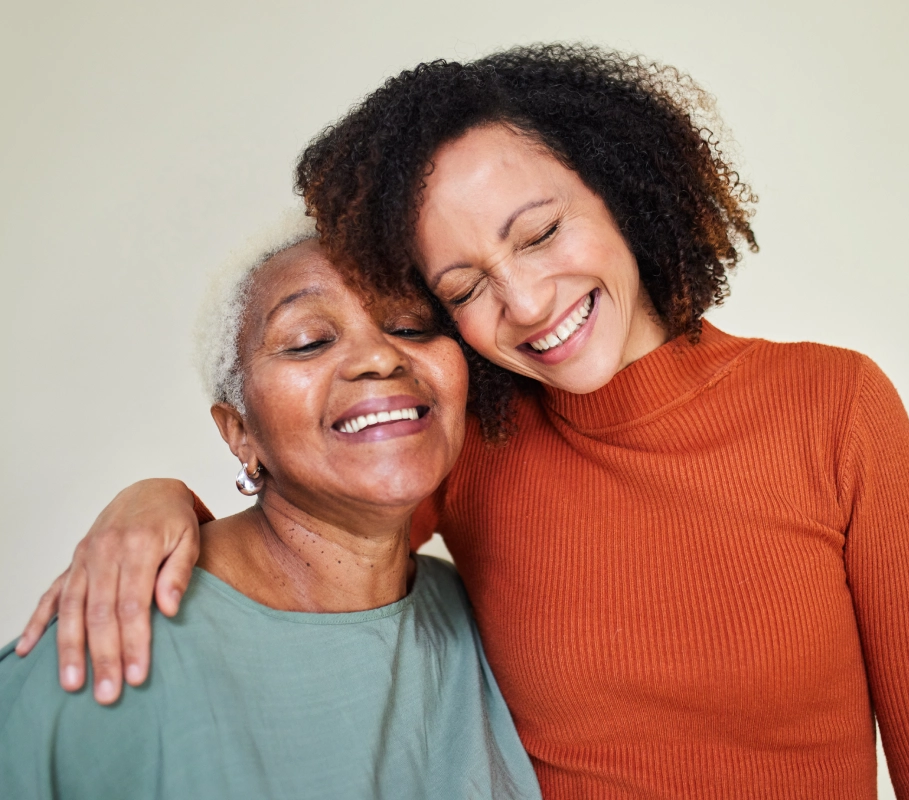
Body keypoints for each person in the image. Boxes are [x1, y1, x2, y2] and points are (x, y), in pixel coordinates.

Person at [18, 45, 909, 798]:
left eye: (538, 234)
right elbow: (305, 546)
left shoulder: (831, 405)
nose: (527, 302)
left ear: (618, 187)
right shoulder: (473, 448)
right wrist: (157, 500)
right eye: (463, 287)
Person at [0, 215, 542, 800]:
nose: (380, 358)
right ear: (240, 433)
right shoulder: (116, 632)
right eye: (309, 340)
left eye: (411, 327)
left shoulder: (469, 611)